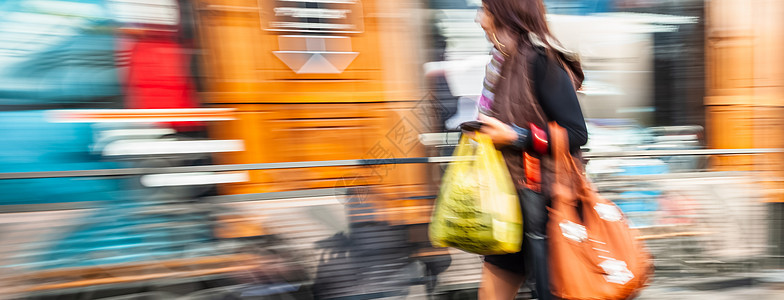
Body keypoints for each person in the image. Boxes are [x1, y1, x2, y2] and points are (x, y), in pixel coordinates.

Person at [469, 0, 588, 299]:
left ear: (503, 14)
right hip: (508, 206)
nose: (478, 20)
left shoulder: (541, 61)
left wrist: (516, 136)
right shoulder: (500, 64)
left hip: (547, 207)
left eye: (484, 10)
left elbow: (576, 133)